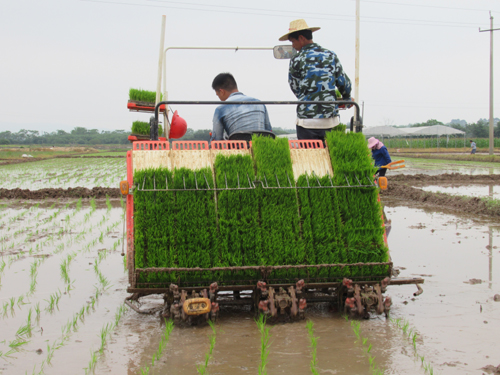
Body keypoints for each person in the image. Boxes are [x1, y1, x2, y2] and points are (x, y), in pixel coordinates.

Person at [279, 19, 352, 141]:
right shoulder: (331, 55)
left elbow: (295, 87)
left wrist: (308, 97)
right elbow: (344, 83)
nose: (292, 45)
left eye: (292, 41)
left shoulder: (296, 59)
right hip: (330, 121)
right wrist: (347, 98)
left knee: (308, 158)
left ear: (301, 38)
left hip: (306, 122)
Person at [211, 73, 272, 141]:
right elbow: (269, 132)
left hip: (237, 149)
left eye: (217, 95)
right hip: (260, 147)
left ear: (222, 92)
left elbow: (216, 140)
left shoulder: (221, 109)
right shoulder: (259, 103)